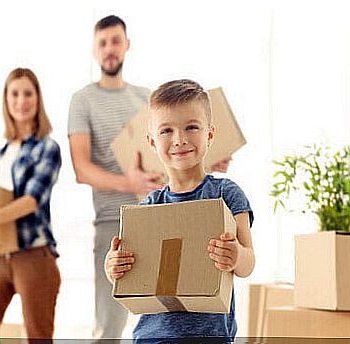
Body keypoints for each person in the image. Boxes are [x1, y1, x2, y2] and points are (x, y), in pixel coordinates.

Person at [67, 15, 232, 340]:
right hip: (114, 221)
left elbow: (172, 151)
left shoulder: (147, 97)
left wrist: (211, 159)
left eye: (116, 41)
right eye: (102, 43)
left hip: (165, 215)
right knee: (111, 321)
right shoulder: (83, 100)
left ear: (127, 45)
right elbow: (81, 169)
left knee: (169, 318)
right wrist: (130, 184)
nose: (110, 49)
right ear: (94, 50)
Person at [105, 79, 255, 342]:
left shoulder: (226, 194)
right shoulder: (149, 207)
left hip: (209, 336)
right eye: (166, 131)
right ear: (152, 141)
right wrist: (113, 267)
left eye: (192, 127)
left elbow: (248, 263)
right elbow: (131, 274)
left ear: (209, 134)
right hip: (152, 336)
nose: (180, 139)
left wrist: (236, 256)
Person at [0, 67, 62, 342]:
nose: (21, 100)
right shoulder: (1, 154)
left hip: (34, 255)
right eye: (14, 93)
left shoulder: (46, 148)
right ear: (6, 99)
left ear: (38, 98)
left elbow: (30, 201)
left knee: (38, 338)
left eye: (28, 93)